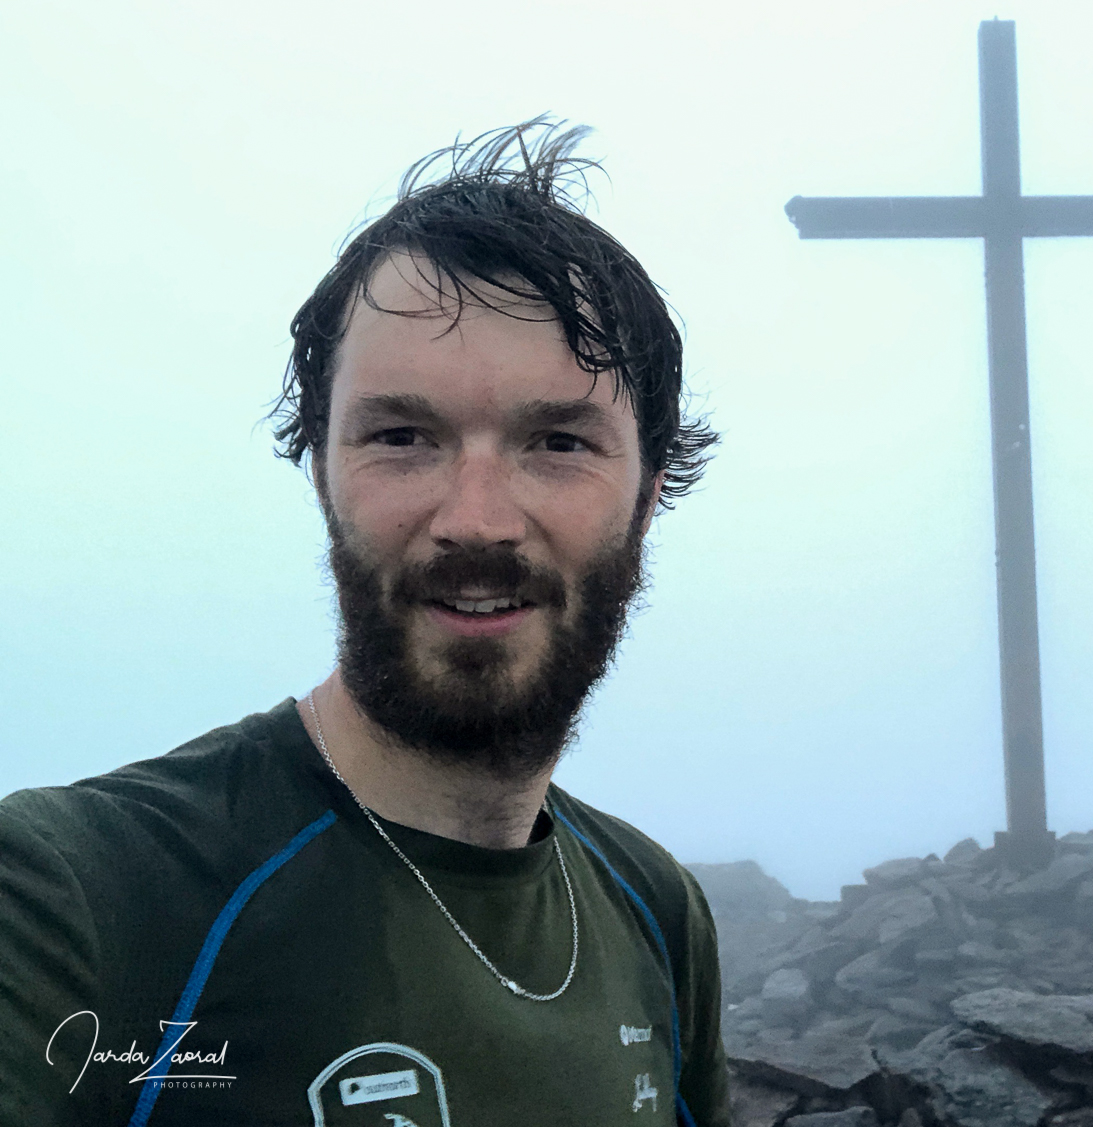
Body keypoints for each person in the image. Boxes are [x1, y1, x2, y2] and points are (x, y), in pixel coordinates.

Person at [0, 121, 730, 1127]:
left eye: (558, 440)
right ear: (324, 475)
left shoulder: (657, 911)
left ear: (647, 494)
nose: (476, 517)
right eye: (402, 435)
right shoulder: (74, 897)